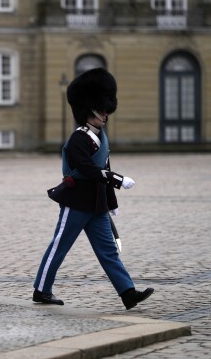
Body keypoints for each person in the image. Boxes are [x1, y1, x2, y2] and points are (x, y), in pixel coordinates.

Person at [32, 68, 154, 310]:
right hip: (77, 202)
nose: (105, 114)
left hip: (96, 204)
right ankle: (41, 290)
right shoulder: (79, 138)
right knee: (59, 246)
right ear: (89, 111)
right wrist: (118, 180)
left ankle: (128, 293)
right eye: (101, 110)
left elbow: (103, 170)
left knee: (108, 251)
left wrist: (112, 202)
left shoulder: (100, 136)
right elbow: (88, 170)